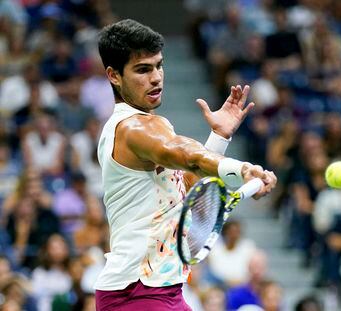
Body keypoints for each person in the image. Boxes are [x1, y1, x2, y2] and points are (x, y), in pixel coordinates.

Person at [93, 19, 277, 311]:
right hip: (136, 294)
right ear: (114, 75)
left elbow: (187, 191)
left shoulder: (155, 125)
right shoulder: (131, 128)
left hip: (163, 290)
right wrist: (240, 169)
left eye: (159, 66)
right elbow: (186, 153)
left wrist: (219, 138)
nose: (156, 78)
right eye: (143, 69)